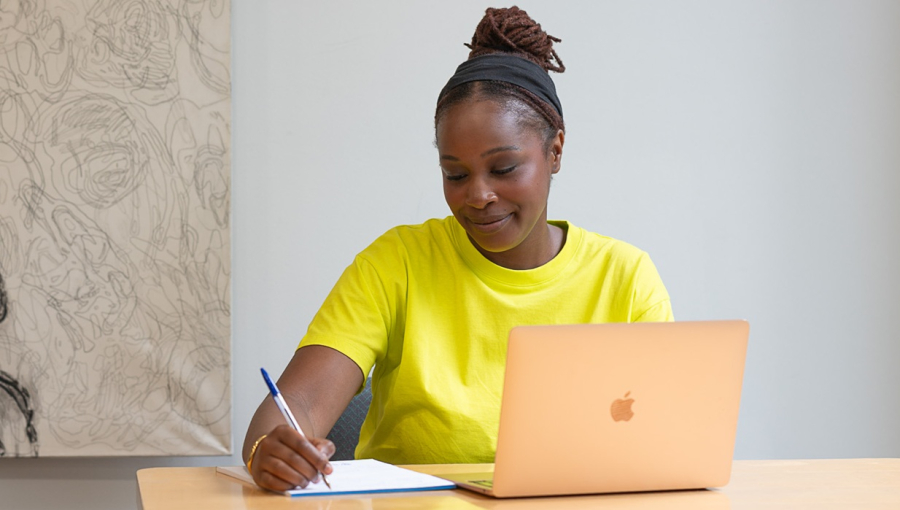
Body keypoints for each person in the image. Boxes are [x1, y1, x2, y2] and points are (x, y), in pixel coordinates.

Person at [244, 6, 673, 492]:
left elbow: (663, 440)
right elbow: (297, 405)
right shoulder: (397, 263)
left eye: (504, 169)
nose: (478, 195)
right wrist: (271, 448)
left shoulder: (625, 277)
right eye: (455, 174)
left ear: (555, 151)